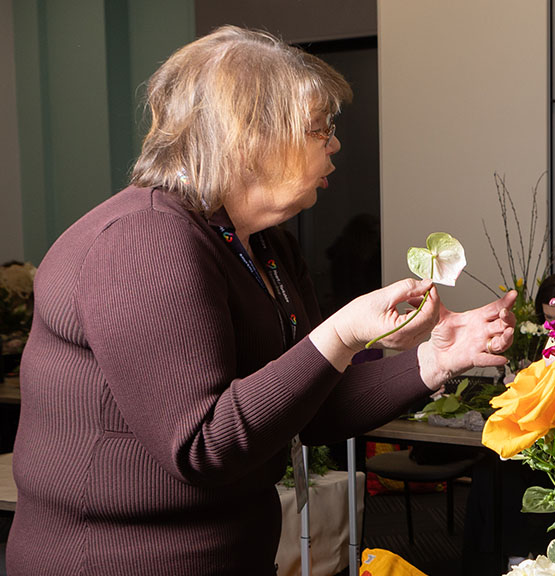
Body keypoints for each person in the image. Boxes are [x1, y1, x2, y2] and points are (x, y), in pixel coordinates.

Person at [7, 26, 516, 575]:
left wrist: (435, 358)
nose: (334, 144)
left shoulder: (264, 245)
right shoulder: (144, 239)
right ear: (248, 136)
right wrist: (341, 332)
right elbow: (203, 447)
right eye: (319, 129)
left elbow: (310, 410)